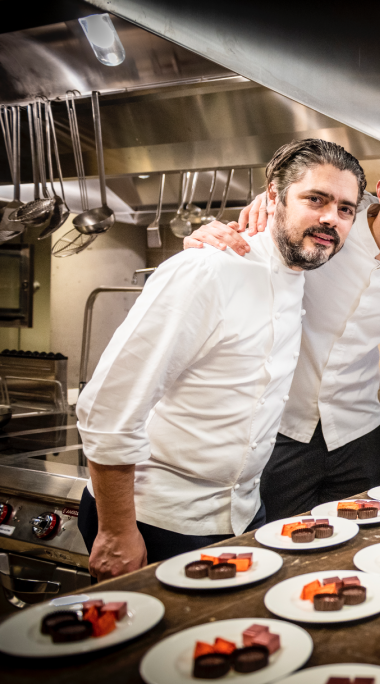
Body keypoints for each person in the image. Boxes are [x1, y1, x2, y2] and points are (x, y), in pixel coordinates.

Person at [76, 139, 365, 579]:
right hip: (155, 521)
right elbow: (107, 411)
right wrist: (117, 530)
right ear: (273, 196)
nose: (331, 218)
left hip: (240, 516)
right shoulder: (207, 270)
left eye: (346, 209)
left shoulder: (298, 273)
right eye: (315, 199)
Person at [184, 136, 380, 520]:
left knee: (356, 552)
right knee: (277, 549)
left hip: (357, 436)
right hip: (283, 432)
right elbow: (259, 240)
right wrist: (205, 237)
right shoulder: (321, 236)